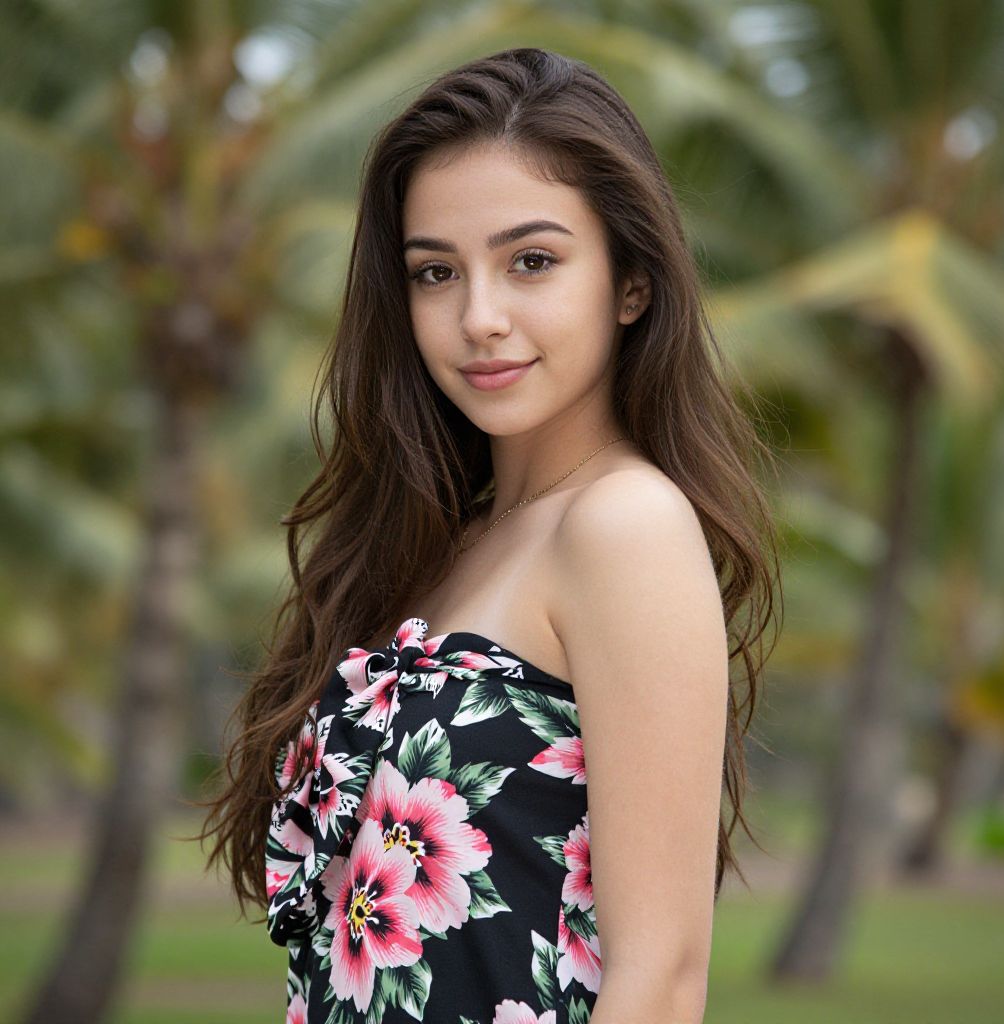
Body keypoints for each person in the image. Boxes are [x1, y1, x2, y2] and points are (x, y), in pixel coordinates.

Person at [197, 46, 781, 1024]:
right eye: (435, 272)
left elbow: (662, 977)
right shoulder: (439, 543)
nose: (479, 318)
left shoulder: (623, 526)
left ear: (630, 282)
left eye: (532, 261)